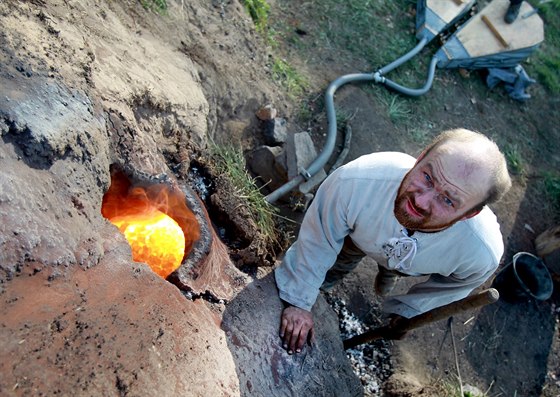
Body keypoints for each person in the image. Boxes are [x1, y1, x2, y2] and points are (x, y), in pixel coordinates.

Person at [275, 128, 512, 354]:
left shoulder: (480, 252)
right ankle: (343, 277)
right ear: (420, 158)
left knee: (399, 264)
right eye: (427, 177)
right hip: (358, 236)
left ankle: (390, 271)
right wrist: (299, 299)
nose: (421, 201)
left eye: (448, 201)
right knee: (340, 260)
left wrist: (410, 311)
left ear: (470, 214)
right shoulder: (355, 181)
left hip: (419, 264)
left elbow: (455, 286)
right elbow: (320, 237)